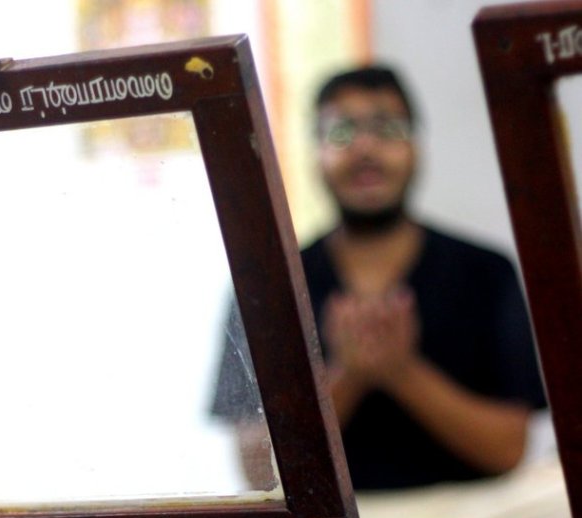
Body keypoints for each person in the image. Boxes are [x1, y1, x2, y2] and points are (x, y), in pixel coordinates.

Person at [211, 64, 547, 493]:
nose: (365, 148)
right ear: (314, 153)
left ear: (416, 146)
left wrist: (402, 371)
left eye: (386, 128)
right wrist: (349, 375)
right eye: (341, 133)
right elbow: (259, 471)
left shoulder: (486, 270)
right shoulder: (264, 286)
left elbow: (508, 449)